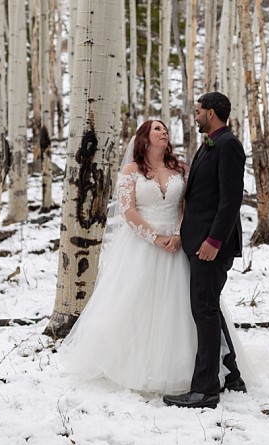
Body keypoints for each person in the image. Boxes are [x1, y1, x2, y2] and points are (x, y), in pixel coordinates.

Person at [61, 119, 197, 395]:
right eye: (157, 129)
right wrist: (155, 238)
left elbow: (187, 206)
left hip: (176, 244)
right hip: (141, 246)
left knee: (177, 307)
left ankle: (182, 366)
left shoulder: (180, 168)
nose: (164, 132)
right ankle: (132, 364)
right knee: (135, 304)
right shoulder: (131, 170)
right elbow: (128, 211)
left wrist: (179, 235)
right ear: (144, 138)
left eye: (165, 129)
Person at [163, 92, 246, 410]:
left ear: (210, 113)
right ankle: (231, 375)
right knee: (209, 308)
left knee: (205, 311)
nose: (194, 116)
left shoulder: (228, 145)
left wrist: (213, 242)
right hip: (198, 241)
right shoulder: (210, 143)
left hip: (211, 245)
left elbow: (230, 200)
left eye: (197, 111)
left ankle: (205, 390)